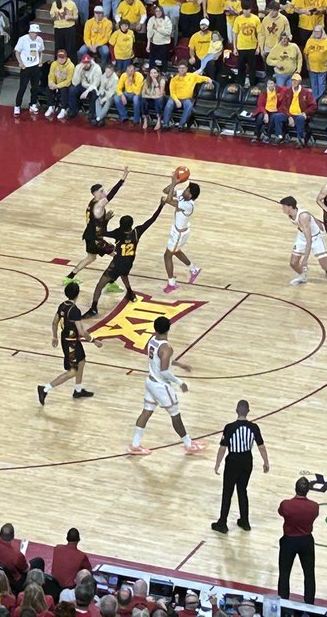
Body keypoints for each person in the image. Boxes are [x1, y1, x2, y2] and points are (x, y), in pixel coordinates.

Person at [128, 316, 203, 455]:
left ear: (155, 328)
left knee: (146, 412)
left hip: (150, 382)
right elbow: (164, 370)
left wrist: (180, 364)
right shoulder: (167, 347)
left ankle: (135, 445)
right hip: (160, 386)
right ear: (169, 328)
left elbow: (161, 359)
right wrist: (180, 382)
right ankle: (188, 444)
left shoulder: (152, 340)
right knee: (175, 415)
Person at [81, 195, 166, 318]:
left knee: (99, 286)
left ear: (121, 225)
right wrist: (161, 206)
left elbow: (102, 232)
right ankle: (130, 292)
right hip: (128, 263)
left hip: (116, 265)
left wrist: (106, 220)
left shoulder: (117, 233)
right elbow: (151, 220)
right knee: (124, 274)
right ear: (131, 225)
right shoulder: (137, 232)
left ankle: (93, 308)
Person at [38, 282, 103, 404]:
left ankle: (78, 390)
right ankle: (45, 388)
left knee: (82, 361)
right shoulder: (74, 311)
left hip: (66, 338)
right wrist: (94, 341)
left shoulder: (63, 305)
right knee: (72, 371)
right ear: (77, 294)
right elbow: (81, 332)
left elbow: (54, 322)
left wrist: (54, 337)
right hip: (71, 343)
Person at [211, 399, 269, 534]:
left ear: (236, 410)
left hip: (232, 461)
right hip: (247, 460)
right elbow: (261, 447)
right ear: (248, 411)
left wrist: (217, 463)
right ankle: (245, 521)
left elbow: (222, 448)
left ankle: (222, 523)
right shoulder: (254, 427)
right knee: (242, 490)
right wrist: (266, 462)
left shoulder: (229, 427)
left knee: (228, 492)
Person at [279, 196, 327, 295]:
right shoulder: (292, 213)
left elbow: (309, 241)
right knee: (293, 263)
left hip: (314, 239)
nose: (282, 208)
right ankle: (303, 276)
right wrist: (317, 222)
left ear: (290, 207)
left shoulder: (303, 217)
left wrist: (305, 260)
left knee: (325, 265)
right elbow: (309, 214)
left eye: (284, 206)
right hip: (302, 237)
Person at [65, 167, 128, 283]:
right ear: (95, 194)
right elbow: (111, 194)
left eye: (103, 191)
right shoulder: (99, 205)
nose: (104, 193)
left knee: (91, 258)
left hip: (90, 236)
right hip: (96, 239)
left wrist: (106, 219)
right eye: (101, 191)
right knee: (119, 257)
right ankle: (111, 282)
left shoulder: (92, 202)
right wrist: (122, 180)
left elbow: (95, 222)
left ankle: (69, 277)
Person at [277, 476, 319, 604]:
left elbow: (281, 512)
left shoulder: (286, 504)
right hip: (306, 540)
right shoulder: (314, 506)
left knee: (284, 573)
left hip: (289, 540)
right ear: (308, 490)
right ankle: (309, 602)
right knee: (309, 573)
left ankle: (283, 601)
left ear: (295, 489)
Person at [161, 174, 202, 293]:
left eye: (187, 190)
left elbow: (168, 200)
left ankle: (171, 283)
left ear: (190, 195)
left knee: (167, 256)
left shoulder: (188, 205)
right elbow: (166, 191)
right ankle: (194, 269)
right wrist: (175, 183)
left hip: (179, 234)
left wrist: (174, 183)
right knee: (176, 251)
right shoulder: (183, 197)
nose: (184, 191)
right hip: (180, 230)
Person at [13, 23, 46, 116]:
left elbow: (41, 51)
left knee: (35, 87)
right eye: (34, 32)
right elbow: (17, 52)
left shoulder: (40, 40)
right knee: (22, 87)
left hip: (35, 66)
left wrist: (40, 61)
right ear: (30, 32)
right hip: (26, 67)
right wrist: (20, 63)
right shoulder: (22, 39)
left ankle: (33, 103)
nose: (36, 34)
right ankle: (17, 106)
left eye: (37, 32)